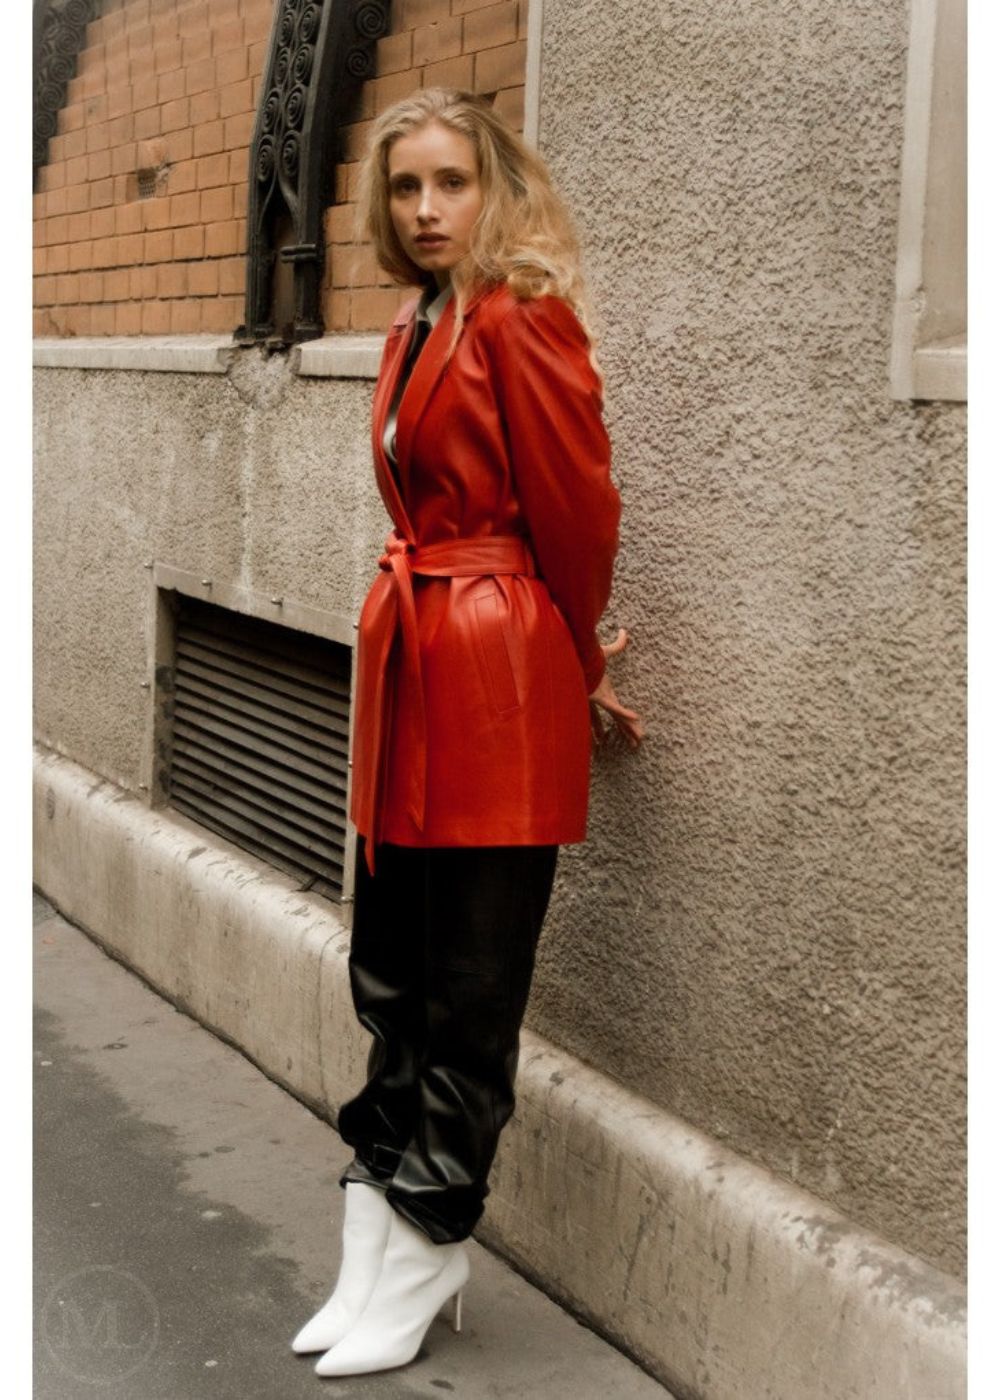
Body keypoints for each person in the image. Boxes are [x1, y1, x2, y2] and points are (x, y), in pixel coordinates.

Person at [291, 87, 644, 1378]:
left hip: (491, 662)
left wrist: (574, 656)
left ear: (493, 187)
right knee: (392, 972)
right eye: (404, 188)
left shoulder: (520, 316)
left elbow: (580, 515)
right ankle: (374, 1232)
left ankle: (433, 1237)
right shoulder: (416, 321)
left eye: (450, 182)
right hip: (417, 658)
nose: (429, 209)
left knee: (469, 986)